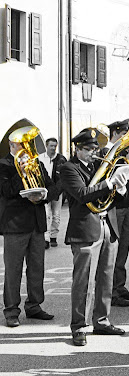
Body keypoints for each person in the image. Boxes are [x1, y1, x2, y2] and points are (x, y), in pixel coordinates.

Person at [61, 128, 128, 346]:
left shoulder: (99, 167)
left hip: (107, 225)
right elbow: (81, 195)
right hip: (85, 229)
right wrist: (108, 184)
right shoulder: (68, 169)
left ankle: (101, 320)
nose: (93, 153)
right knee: (83, 281)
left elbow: (109, 196)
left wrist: (120, 189)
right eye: (88, 149)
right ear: (77, 149)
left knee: (106, 277)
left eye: (95, 149)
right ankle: (79, 326)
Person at [1, 134, 55, 328]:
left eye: (27, 143)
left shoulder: (37, 164)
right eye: (20, 143)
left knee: (37, 268)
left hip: (36, 224)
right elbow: (5, 190)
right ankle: (11, 311)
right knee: (13, 270)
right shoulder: (4, 164)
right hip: (15, 225)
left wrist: (43, 196)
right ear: (11, 144)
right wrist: (21, 174)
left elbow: (52, 187)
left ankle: (34, 306)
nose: (25, 147)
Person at [104, 120, 129, 308]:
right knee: (115, 249)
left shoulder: (122, 152)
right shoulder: (106, 152)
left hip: (126, 205)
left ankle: (120, 285)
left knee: (124, 247)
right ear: (116, 134)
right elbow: (107, 178)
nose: (125, 139)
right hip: (114, 206)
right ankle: (111, 291)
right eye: (124, 135)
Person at [38, 137, 67, 249]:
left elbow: (63, 177)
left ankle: (53, 237)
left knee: (56, 215)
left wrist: (57, 191)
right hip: (44, 191)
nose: (53, 148)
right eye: (51, 146)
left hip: (57, 191)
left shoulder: (61, 159)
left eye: (55, 146)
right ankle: (45, 238)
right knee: (46, 215)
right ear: (46, 146)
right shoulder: (40, 158)